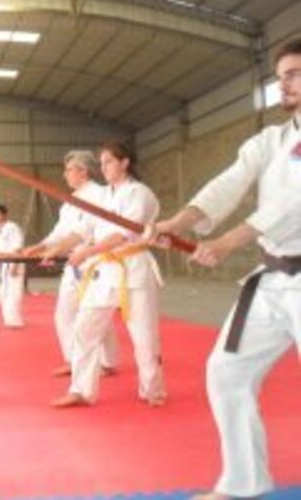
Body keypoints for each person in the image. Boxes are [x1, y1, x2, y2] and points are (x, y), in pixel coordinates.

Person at [149, 38, 301, 500]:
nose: (285, 83)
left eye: (295, 73)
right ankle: (244, 483)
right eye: (281, 76)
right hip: (273, 278)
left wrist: (225, 242)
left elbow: (290, 205)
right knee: (227, 371)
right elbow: (230, 182)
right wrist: (180, 220)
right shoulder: (273, 140)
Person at [47, 141, 166, 408]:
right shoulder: (103, 197)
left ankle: (153, 389)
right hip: (104, 271)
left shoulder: (140, 194)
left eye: (109, 162)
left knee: (144, 336)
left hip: (133, 269)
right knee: (84, 328)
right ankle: (81, 390)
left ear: (125, 163)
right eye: (101, 164)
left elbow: (121, 235)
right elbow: (83, 231)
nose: (104, 168)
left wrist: (86, 254)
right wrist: (56, 248)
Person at [23, 151, 119, 377]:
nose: (65, 175)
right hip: (74, 262)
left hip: (95, 260)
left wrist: (56, 250)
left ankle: (107, 361)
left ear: (83, 172)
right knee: (66, 313)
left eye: (69, 170)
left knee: (94, 314)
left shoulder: (100, 194)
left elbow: (84, 231)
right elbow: (61, 231)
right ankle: (75, 359)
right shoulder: (70, 202)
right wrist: (41, 245)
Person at [0, 205, 26, 328]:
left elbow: (18, 246)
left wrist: (15, 264)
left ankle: (16, 321)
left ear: (5, 215)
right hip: (2, 264)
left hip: (14, 261)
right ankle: (9, 319)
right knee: (4, 292)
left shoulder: (12, 227)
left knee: (14, 291)